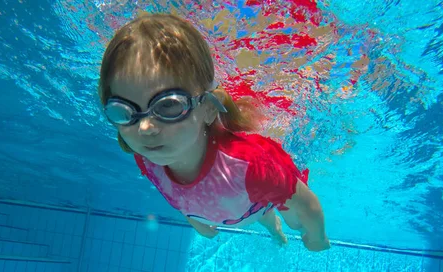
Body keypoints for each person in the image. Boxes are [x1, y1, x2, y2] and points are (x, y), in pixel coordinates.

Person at [98, 13, 330, 252]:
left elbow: (307, 205)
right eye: (123, 111)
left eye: (168, 105)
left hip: (258, 201)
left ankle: (273, 228)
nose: (144, 127)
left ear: (209, 108)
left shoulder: (247, 166)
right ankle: (271, 226)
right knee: (258, 211)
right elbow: (177, 193)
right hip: (241, 204)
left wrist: (317, 237)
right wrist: (194, 218)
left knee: (272, 213)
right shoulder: (147, 156)